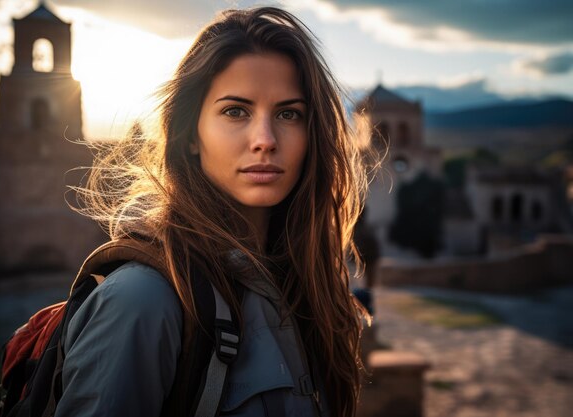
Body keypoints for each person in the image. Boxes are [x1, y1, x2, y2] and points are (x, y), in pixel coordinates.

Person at [60, 6, 372, 417]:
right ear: (190, 135)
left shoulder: (302, 288)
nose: (265, 139)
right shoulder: (142, 301)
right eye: (235, 111)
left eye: (288, 114)